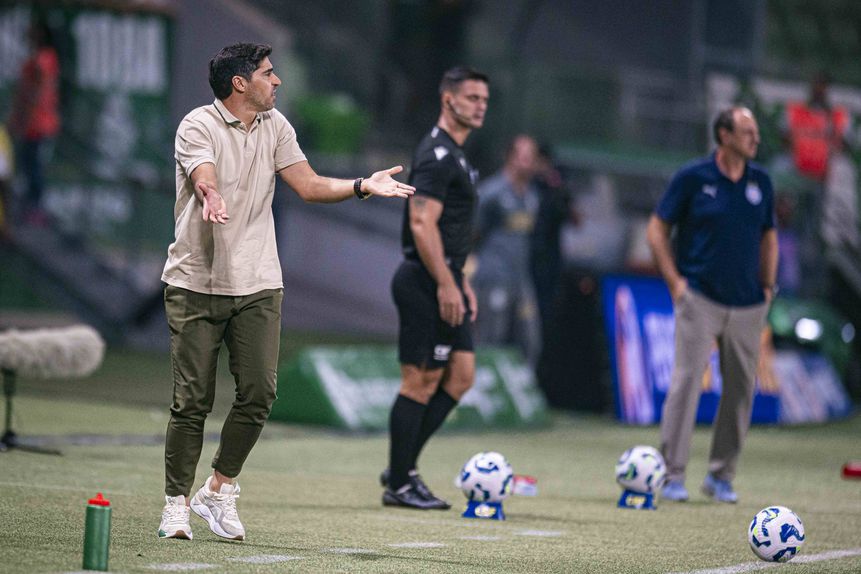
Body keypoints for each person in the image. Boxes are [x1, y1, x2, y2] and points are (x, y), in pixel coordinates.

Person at [158, 43, 414, 541]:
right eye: (269, 74)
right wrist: (210, 195)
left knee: (259, 393)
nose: (277, 82)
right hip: (195, 282)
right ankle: (176, 504)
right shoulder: (197, 124)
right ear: (240, 83)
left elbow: (310, 185)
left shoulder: (277, 127)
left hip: (258, 282)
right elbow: (202, 172)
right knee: (192, 401)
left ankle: (219, 488)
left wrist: (363, 184)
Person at [646, 106, 778, 504]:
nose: (755, 138)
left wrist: (768, 287)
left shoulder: (761, 182)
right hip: (699, 296)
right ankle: (672, 474)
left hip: (747, 303)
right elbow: (656, 229)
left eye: (755, 132)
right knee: (686, 382)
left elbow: (769, 236)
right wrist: (675, 282)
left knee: (740, 388)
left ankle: (721, 475)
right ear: (723, 135)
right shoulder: (693, 177)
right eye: (746, 131)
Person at [381, 66, 488, 510]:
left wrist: (461, 281)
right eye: (472, 98)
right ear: (449, 101)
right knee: (420, 382)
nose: (481, 105)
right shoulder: (437, 155)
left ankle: (401, 466)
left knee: (460, 377)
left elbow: (449, 227)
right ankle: (401, 484)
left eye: (484, 99)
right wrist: (446, 283)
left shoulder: (459, 156)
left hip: (447, 281)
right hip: (424, 283)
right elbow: (421, 223)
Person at [472, 134, 541, 366]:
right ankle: (483, 390)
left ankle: (519, 392)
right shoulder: (492, 193)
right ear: (510, 158)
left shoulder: (532, 197)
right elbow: (473, 231)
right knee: (492, 338)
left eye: (531, 158)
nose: (527, 162)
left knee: (530, 340)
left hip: (521, 280)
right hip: (494, 277)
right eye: (522, 157)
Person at [7, 20, 60, 226]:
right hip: (31, 125)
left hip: (40, 124)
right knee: (25, 165)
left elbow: (37, 89)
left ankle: (35, 209)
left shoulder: (44, 57)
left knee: (34, 167)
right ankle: (28, 207)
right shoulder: (36, 59)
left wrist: (23, 115)